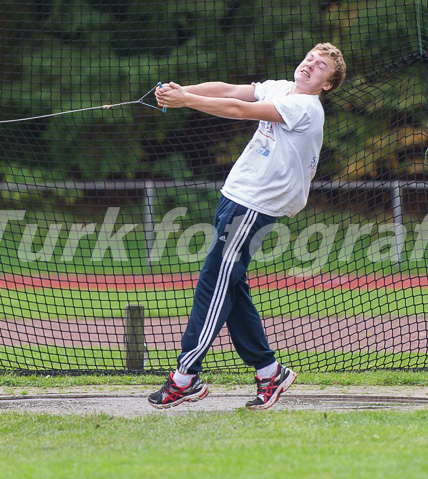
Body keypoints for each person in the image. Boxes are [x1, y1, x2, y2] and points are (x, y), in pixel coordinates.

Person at [148, 43, 346, 410]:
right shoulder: (281, 87)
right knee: (232, 287)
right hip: (237, 196)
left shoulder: (304, 107)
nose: (309, 66)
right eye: (309, 59)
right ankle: (270, 372)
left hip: (255, 206)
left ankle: (185, 377)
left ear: (327, 85)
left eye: (320, 67)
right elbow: (227, 90)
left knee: (214, 281)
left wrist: (185, 101)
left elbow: (239, 110)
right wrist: (182, 91)